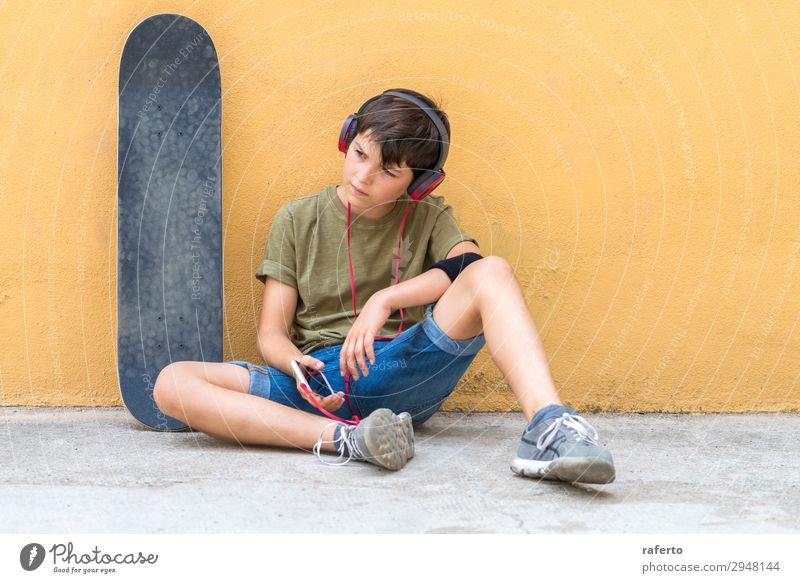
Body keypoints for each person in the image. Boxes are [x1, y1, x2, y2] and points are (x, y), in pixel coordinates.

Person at [153, 88, 616, 484]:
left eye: (388, 172)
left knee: (492, 271)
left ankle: (549, 427)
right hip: (318, 381)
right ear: (346, 142)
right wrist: (295, 366)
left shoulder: (430, 216)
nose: (362, 176)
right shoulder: (297, 218)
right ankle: (351, 440)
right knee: (172, 384)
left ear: (420, 184)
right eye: (359, 154)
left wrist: (385, 299)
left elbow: (469, 265)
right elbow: (272, 331)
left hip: (403, 363)